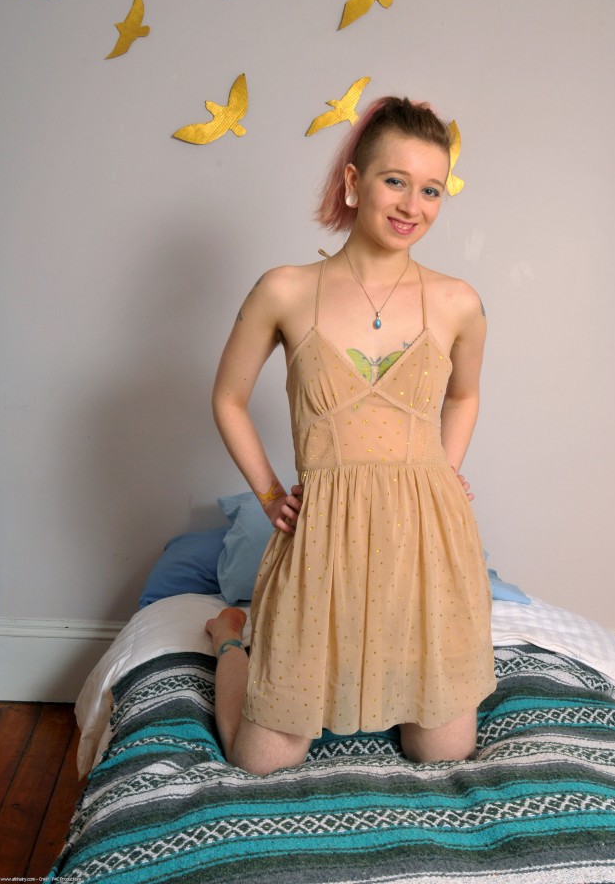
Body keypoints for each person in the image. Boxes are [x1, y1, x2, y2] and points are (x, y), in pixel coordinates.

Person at [207, 96, 496, 775]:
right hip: (323, 537)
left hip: (427, 541)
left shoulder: (459, 301)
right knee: (260, 762)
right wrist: (269, 493)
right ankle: (227, 636)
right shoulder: (284, 289)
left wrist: (442, 470)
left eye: (431, 190)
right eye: (396, 181)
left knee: (441, 753)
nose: (412, 206)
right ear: (353, 182)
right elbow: (227, 398)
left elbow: (464, 395)